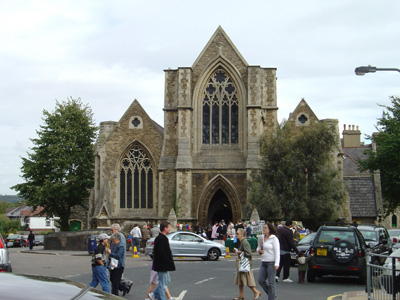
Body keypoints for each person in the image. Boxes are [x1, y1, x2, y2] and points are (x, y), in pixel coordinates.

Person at [233, 228, 262, 300]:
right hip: (242, 263)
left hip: (245, 264)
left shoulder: (244, 242)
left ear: (242, 234)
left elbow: (249, 253)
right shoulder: (242, 242)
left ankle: (256, 291)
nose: (236, 235)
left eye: (237, 233)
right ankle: (241, 295)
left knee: (247, 280)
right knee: (240, 280)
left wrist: (239, 252)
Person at [152, 221, 176, 300]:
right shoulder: (161, 238)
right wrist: (168, 260)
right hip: (162, 265)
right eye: (169, 227)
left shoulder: (163, 238)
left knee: (167, 281)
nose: (170, 228)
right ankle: (161, 298)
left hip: (163, 264)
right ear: (165, 228)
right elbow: (161, 252)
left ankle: (153, 293)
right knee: (163, 283)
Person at [257, 223, 280, 300]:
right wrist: (259, 250)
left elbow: (277, 252)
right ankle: (272, 295)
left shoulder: (274, 239)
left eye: (266, 228)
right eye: (263, 228)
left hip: (271, 262)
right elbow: (258, 247)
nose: (264, 229)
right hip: (264, 261)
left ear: (270, 229)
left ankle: (271, 298)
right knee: (260, 280)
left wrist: (277, 263)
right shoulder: (261, 238)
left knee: (271, 283)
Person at [110, 223, 132, 295]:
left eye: (112, 230)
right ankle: (124, 287)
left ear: (117, 230)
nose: (111, 231)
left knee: (115, 281)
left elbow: (119, 252)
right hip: (114, 262)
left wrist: (110, 253)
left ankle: (124, 287)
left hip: (118, 262)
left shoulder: (120, 238)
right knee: (114, 280)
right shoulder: (115, 237)